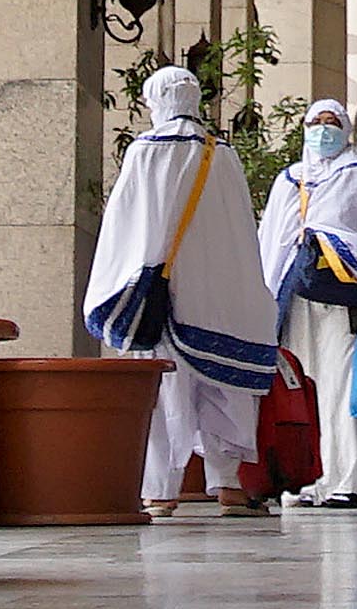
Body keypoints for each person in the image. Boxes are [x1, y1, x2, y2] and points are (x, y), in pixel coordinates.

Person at [86, 64, 280, 515]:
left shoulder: (146, 150)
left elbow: (127, 223)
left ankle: (160, 490)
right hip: (220, 293)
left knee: (160, 391)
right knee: (223, 384)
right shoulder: (222, 153)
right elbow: (238, 231)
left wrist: (121, 281)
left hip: (161, 291)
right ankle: (228, 483)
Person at [254, 98, 357, 508]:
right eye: (316, 122)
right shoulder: (291, 179)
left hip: (347, 298)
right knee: (317, 387)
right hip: (301, 298)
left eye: (332, 122)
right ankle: (325, 478)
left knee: (345, 388)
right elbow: (272, 240)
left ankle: (351, 481)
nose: (323, 130)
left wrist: (332, 240)